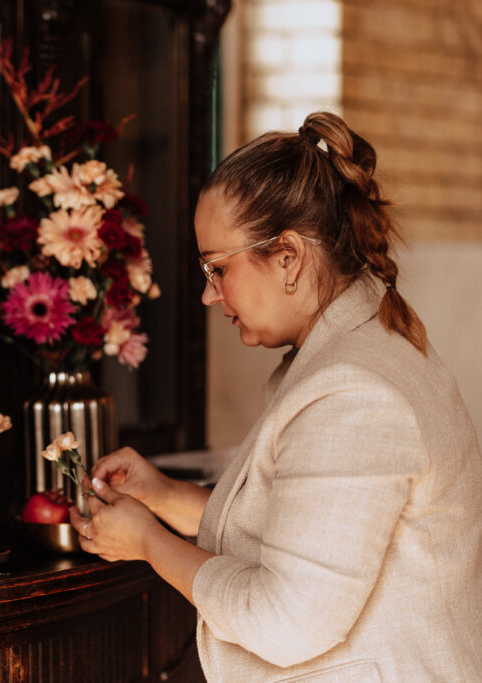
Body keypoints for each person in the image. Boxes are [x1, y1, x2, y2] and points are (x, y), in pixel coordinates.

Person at [69, 111, 482, 681]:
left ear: (288, 257)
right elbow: (308, 532)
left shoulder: (353, 394)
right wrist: (163, 495)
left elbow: (285, 622)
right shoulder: (364, 350)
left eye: (217, 268)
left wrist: (149, 544)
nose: (210, 295)